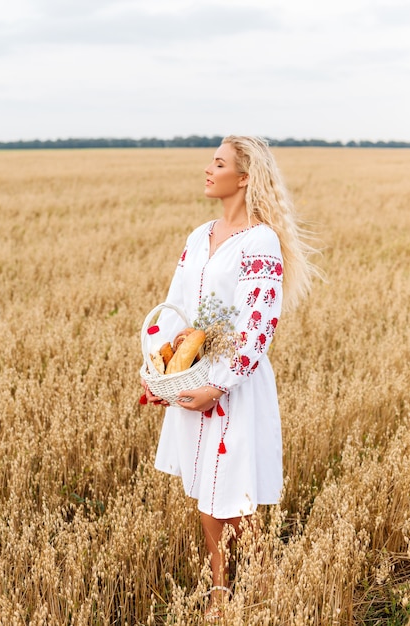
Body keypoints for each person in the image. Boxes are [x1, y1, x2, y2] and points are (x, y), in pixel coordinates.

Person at [141, 135, 317, 620]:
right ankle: (220, 590)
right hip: (190, 375)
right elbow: (175, 306)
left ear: (243, 177)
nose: (206, 169)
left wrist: (220, 383)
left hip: (234, 383)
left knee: (231, 489)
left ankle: (261, 582)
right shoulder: (199, 235)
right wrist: (159, 369)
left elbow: (258, 324)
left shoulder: (260, 241)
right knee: (205, 485)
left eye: (217, 163)